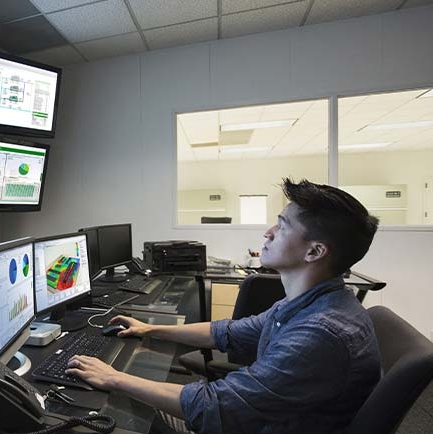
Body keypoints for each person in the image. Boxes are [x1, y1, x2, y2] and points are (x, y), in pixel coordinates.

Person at [66, 178, 381, 434]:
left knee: (112, 412)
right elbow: (227, 332)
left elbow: (212, 407)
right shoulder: (311, 304)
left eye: (282, 226)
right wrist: (150, 328)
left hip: (255, 425)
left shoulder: (320, 334)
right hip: (265, 418)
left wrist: (113, 378)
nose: (268, 233)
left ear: (315, 252)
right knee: (132, 400)